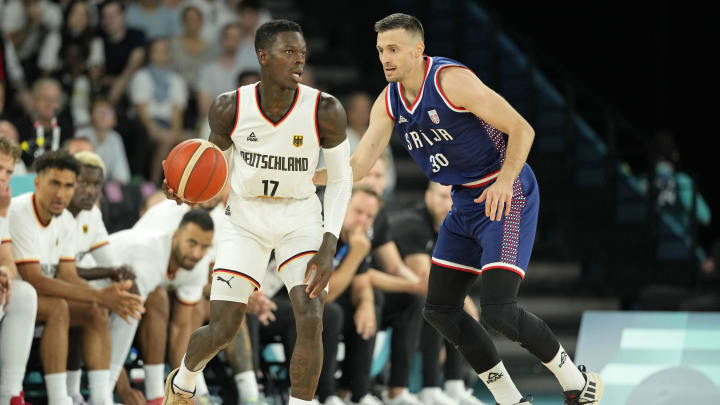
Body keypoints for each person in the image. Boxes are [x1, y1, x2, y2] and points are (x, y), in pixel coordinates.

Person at [316, 13, 603, 405]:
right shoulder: (389, 101)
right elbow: (360, 165)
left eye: (395, 49)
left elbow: (523, 129)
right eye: (382, 50)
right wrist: (301, 177)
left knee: (499, 310)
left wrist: (505, 180)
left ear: (419, 50)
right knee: (440, 309)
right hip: (464, 200)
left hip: (507, 192)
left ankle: (577, 381)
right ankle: (510, 400)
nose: (386, 57)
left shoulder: (451, 82)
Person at [162, 19, 353, 405]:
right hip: (245, 217)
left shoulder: (326, 109)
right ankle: (182, 383)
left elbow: (340, 180)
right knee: (223, 328)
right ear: (262, 56)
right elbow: (211, 168)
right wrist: (187, 189)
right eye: (288, 52)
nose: (299, 60)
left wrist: (330, 241)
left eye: (302, 52)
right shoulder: (229, 107)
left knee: (311, 317)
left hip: (299, 215)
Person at [9, 151, 145, 405]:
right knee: (61, 307)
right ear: (37, 182)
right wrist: (99, 294)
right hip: (15, 297)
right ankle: (60, 398)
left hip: (37, 299)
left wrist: (104, 298)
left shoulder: (66, 221)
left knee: (96, 311)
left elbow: (68, 275)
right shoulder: (21, 211)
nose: (61, 194)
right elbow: (34, 280)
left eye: (68, 186)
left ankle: (100, 398)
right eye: (54, 184)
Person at [391, 182, 487, 405]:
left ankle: (454, 385)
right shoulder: (411, 224)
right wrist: (466, 304)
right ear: (428, 197)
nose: (449, 204)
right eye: (443, 197)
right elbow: (426, 279)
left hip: (416, 294)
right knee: (439, 304)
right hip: (390, 291)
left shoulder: (455, 228)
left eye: (453, 198)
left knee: (451, 306)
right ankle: (429, 387)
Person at [108, 210, 215, 404]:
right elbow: (119, 327)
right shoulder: (149, 255)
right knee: (144, 303)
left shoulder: (198, 264)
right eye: (191, 243)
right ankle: (103, 393)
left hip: (123, 296)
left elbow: (181, 330)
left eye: (204, 247)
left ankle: (156, 395)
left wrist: (184, 390)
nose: (196, 253)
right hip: (87, 278)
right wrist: (123, 388)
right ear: (175, 236)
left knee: (158, 298)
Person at [0, 136, 38, 405]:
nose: (3, 178)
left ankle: (10, 393)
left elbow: (9, 266)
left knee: (23, 292)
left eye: (9, 172)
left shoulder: (3, 207)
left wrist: (2, 213)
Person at [75, 99, 132, 184]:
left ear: (114, 119)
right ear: (91, 116)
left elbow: (122, 176)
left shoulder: (115, 138)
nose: (104, 116)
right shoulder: (80, 134)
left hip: (106, 186)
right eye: (99, 112)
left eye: (108, 112)